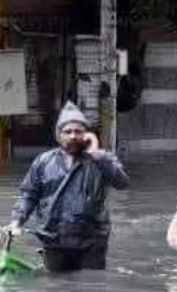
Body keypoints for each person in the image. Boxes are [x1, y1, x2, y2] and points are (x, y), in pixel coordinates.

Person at [7, 101, 128, 272]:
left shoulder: (101, 160)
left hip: (91, 241)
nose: (73, 136)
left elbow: (122, 182)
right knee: (56, 290)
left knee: (91, 288)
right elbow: (28, 195)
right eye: (67, 131)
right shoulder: (43, 162)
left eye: (78, 131)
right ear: (59, 135)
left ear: (86, 135)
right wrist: (16, 221)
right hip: (54, 239)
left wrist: (97, 155)